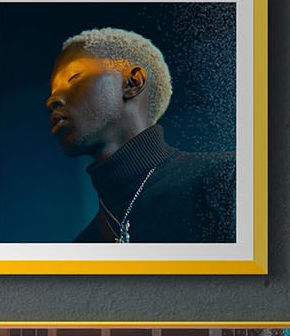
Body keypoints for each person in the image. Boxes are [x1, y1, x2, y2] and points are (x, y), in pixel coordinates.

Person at [46, 27, 235, 243]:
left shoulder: (230, 181)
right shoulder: (78, 253)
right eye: (51, 92)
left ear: (132, 83)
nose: (51, 101)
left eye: (73, 78)